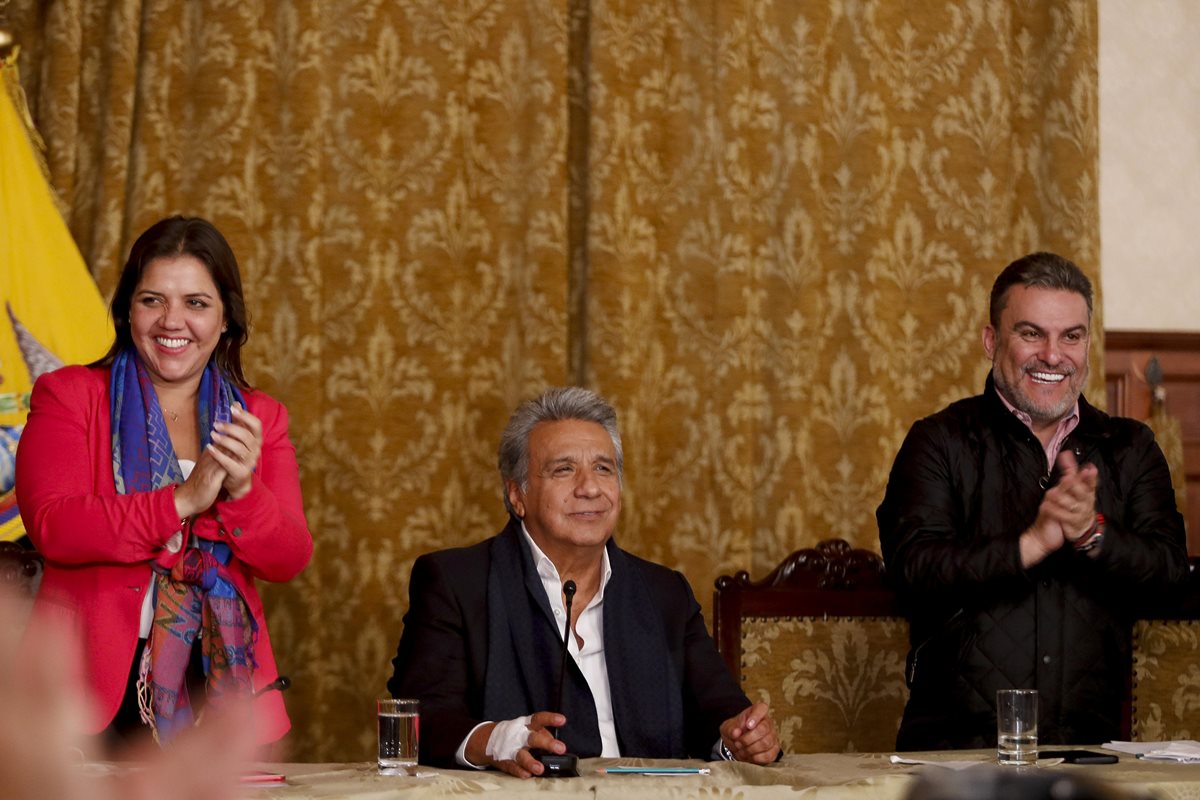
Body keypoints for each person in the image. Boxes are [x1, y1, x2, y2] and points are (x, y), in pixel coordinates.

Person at [16, 216, 312, 748]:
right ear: (128, 310)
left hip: (217, 685)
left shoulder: (260, 418)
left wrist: (245, 493)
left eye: (196, 303)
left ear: (226, 319)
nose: (172, 320)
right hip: (84, 685)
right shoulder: (69, 395)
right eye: (153, 300)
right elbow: (52, 525)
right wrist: (182, 500)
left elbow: (287, 557)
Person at [877, 252, 1188, 750]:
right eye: (1031, 333)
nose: (1052, 355)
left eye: (1071, 336)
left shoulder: (1130, 447)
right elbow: (913, 571)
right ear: (991, 341)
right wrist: (1030, 545)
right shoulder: (938, 441)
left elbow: (1172, 577)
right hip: (953, 753)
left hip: (1089, 750)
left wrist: (1092, 534)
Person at [388, 387, 780, 776]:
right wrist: (497, 741)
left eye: (603, 469)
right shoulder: (457, 582)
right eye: (563, 469)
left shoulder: (665, 593)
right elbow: (420, 718)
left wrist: (741, 738)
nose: (589, 488)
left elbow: (721, 712)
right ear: (516, 494)